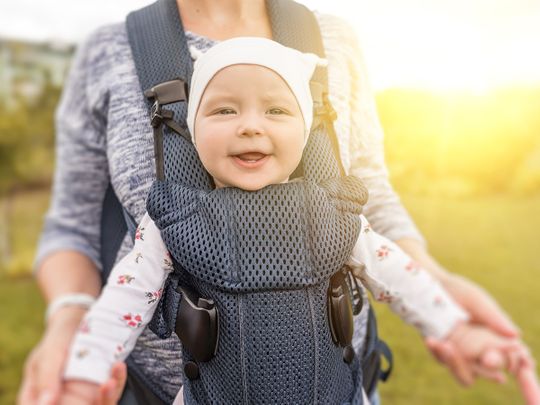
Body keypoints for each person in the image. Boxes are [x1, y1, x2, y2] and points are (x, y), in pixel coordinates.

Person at [16, 1, 535, 404]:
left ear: (306, 124)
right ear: (191, 126)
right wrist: (81, 365)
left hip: (334, 385)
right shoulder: (173, 224)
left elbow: (397, 273)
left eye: (275, 110)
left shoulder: (330, 214)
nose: (250, 126)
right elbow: (119, 304)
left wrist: (453, 325)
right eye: (223, 110)